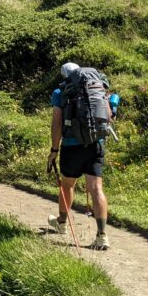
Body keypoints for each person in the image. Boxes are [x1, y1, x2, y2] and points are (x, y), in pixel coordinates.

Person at [46, 61, 117, 250]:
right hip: (96, 145)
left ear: (64, 76)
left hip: (71, 147)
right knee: (96, 188)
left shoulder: (60, 93)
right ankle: (102, 236)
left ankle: (61, 224)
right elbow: (110, 116)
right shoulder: (98, 88)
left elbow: (57, 125)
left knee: (67, 185)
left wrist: (54, 150)